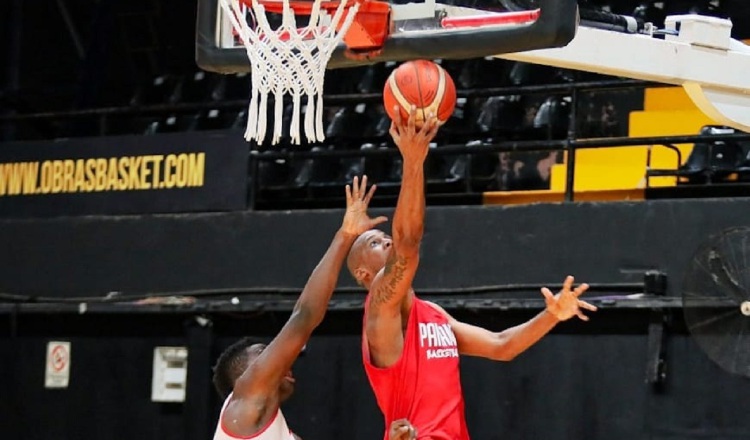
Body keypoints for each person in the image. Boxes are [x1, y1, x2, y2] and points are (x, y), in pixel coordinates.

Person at [347, 106, 599, 439]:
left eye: (385, 236)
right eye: (378, 243)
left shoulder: (433, 315)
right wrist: (413, 161)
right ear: (365, 275)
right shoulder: (380, 309)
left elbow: (501, 345)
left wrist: (552, 315)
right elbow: (409, 241)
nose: (389, 241)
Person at [211, 176, 386, 440]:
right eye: (263, 351)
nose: (281, 355)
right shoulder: (245, 398)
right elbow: (304, 316)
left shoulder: (272, 428)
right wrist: (346, 235)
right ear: (245, 375)